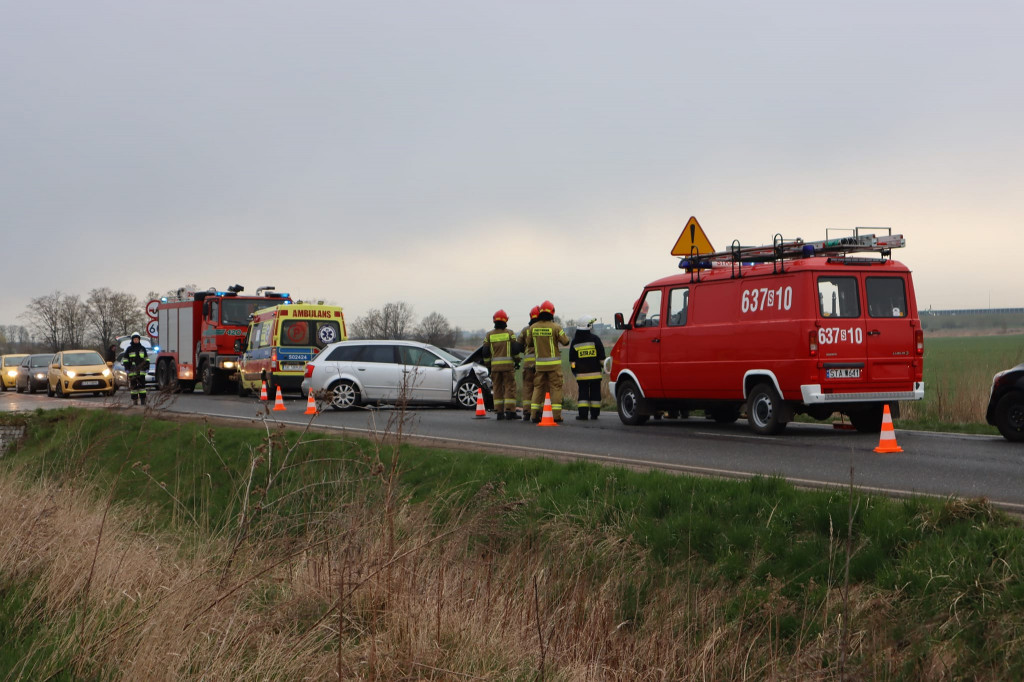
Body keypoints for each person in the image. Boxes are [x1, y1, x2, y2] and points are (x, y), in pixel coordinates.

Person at [530, 300, 570, 423]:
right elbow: (566, 341)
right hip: (554, 366)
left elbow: (529, 343)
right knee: (556, 388)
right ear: (552, 312)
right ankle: (556, 415)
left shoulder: (533, 328)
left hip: (540, 366)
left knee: (538, 388)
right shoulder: (556, 327)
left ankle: (534, 414)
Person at [482, 310, 520, 420]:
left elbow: (485, 352)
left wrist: (488, 365)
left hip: (495, 368)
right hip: (508, 367)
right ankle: (510, 411)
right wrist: (517, 361)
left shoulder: (489, 335)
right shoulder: (510, 333)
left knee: (497, 389)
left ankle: (499, 412)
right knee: (510, 388)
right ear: (506, 320)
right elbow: (515, 350)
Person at [569, 317, 606, 420]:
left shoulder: (575, 341)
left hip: (581, 375)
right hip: (596, 374)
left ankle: (583, 415)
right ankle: (595, 414)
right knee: (595, 394)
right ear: (588, 326)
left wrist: (574, 370)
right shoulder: (595, 339)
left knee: (583, 395)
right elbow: (602, 357)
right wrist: (605, 368)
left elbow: (572, 361)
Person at [517, 305, 540, 423]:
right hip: (540, 365)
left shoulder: (525, 330)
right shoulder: (543, 328)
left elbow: (518, 346)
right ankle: (537, 412)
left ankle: (526, 412)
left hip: (527, 365)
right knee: (539, 388)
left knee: (527, 388)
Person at [124, 332, 150, 406]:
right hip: (132, 372)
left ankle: (143, 400)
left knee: (142, 387)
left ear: (139, 340)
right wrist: (127, 368)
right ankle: (134, 401)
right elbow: (125, 360)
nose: (136, 340)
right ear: (132, 340)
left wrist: (147, 368)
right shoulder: (129, 349)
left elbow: (146, 359)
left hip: (141, 371)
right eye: (135, 339)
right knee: (134, 387)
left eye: (137, 339)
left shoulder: (142, 349)